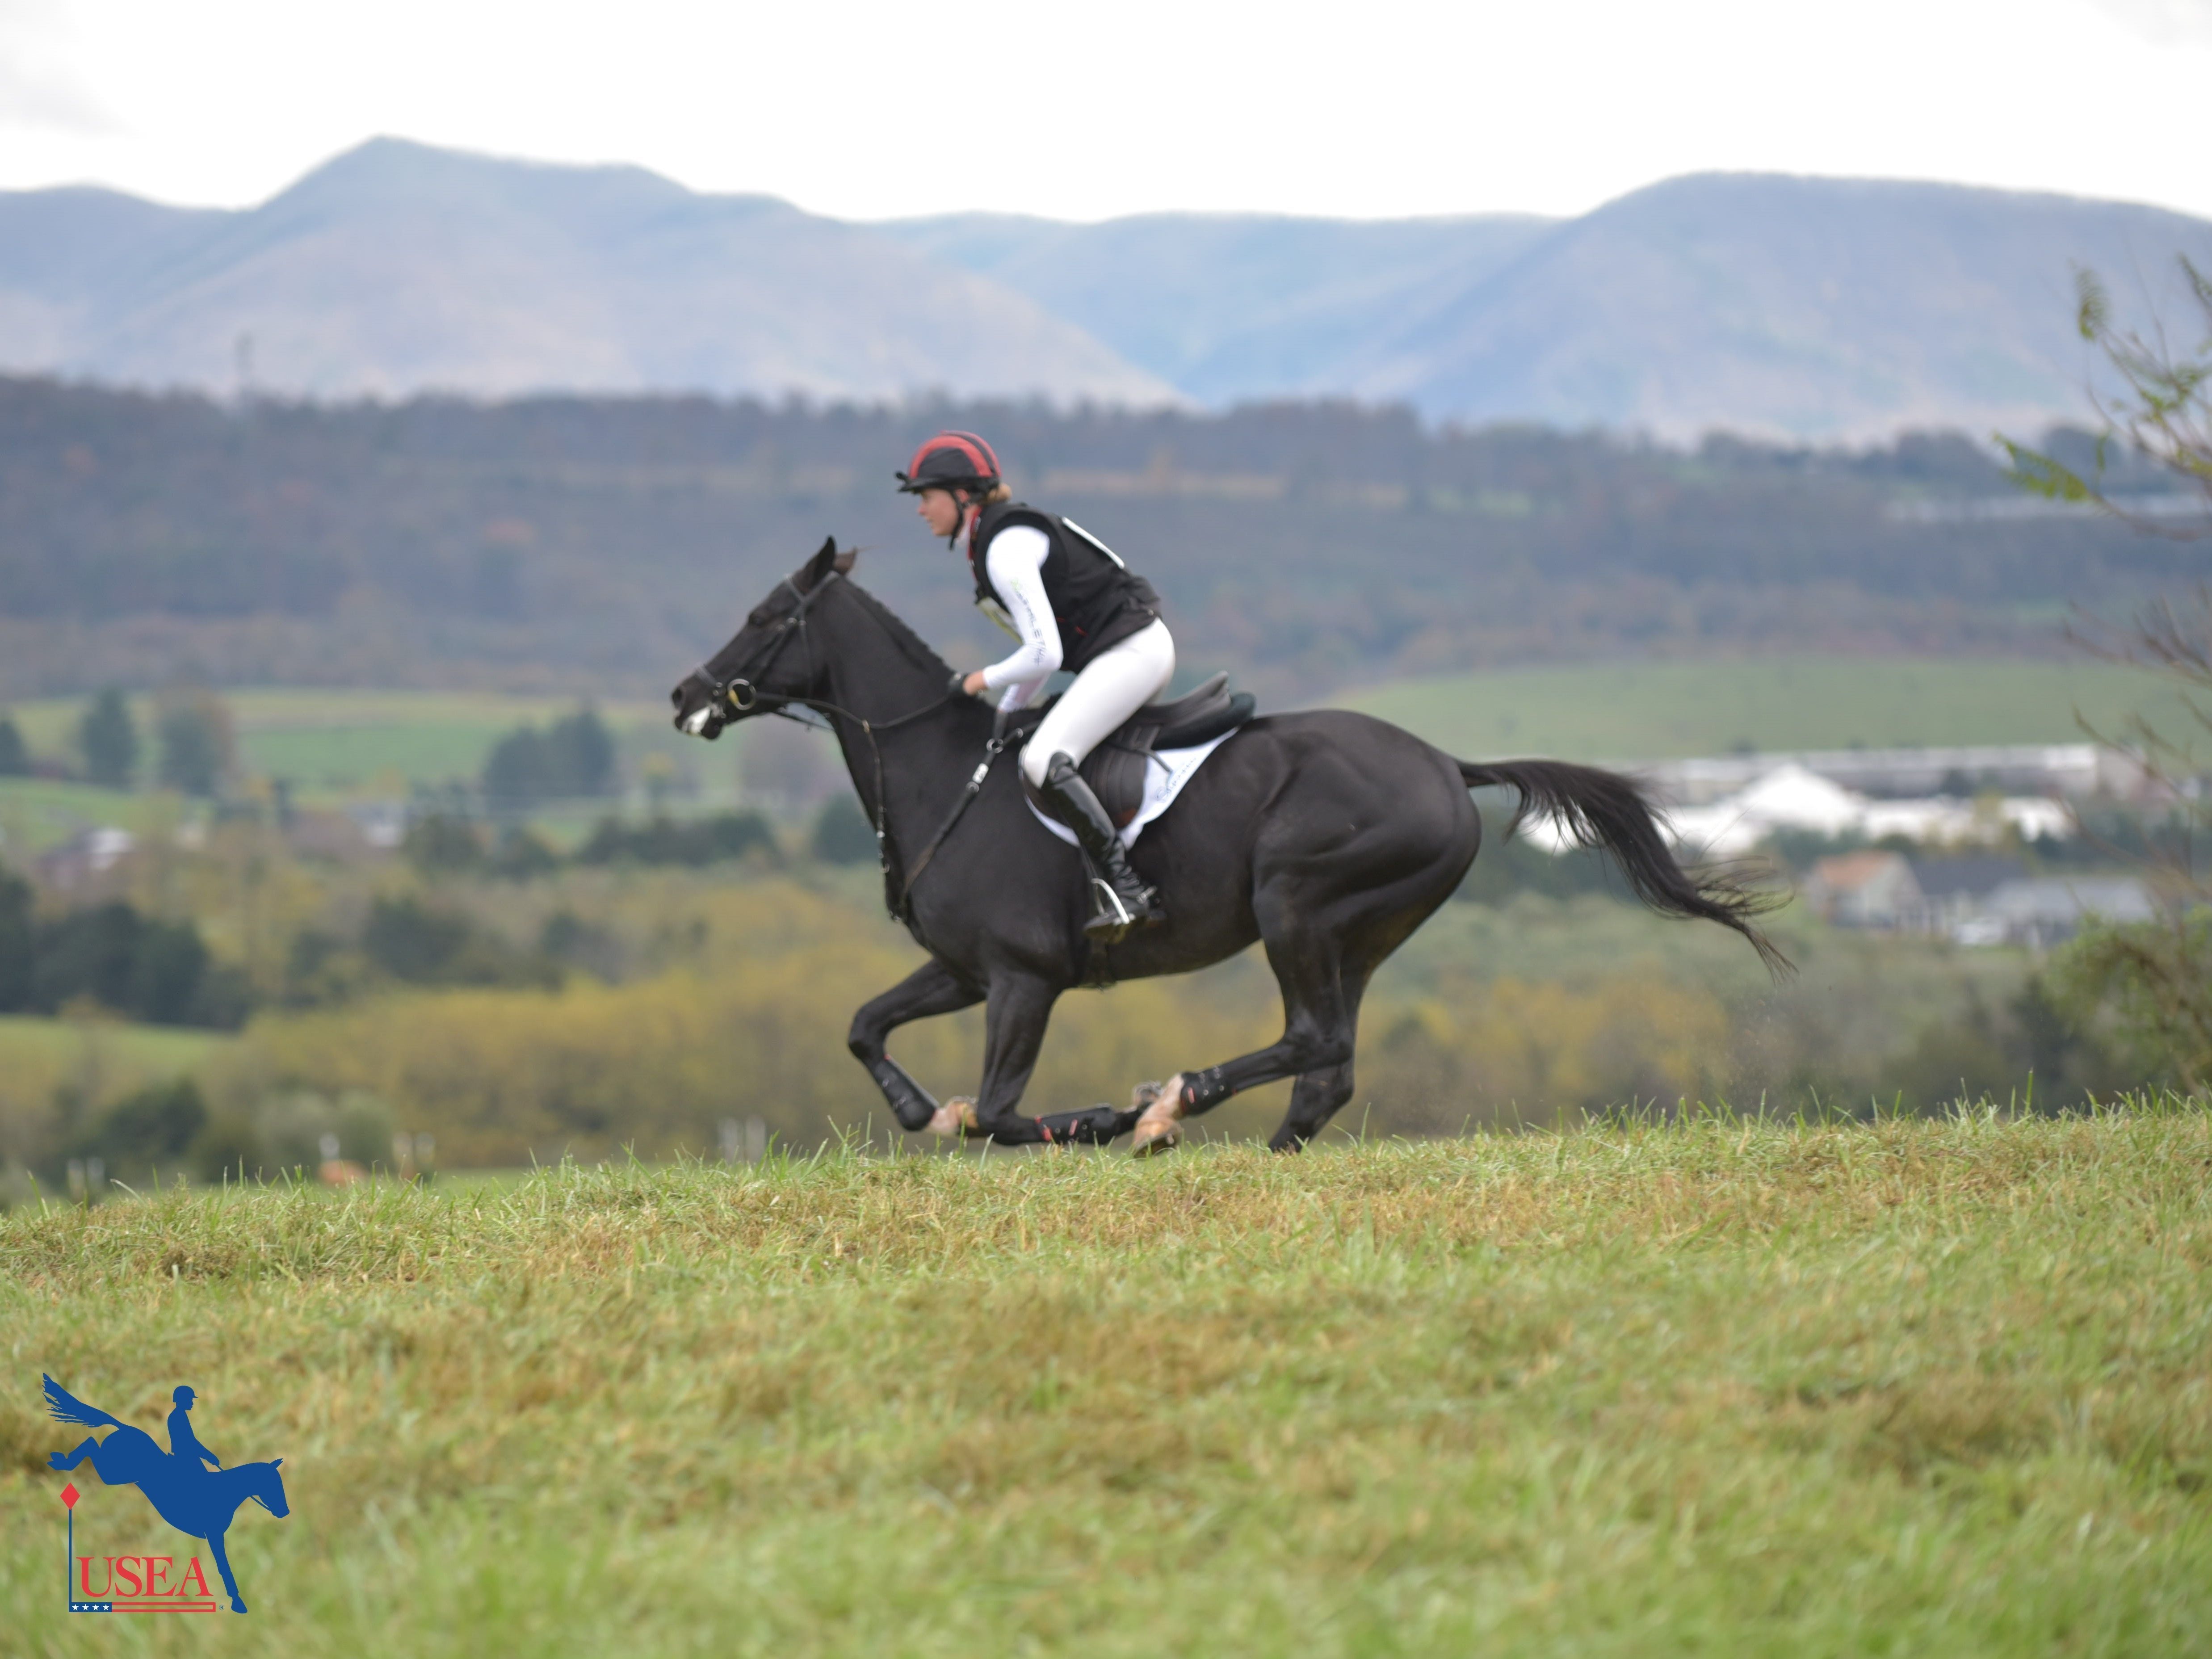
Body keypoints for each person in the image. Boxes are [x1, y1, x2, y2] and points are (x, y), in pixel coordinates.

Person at [898, 430, 1175, 941]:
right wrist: (1004, 715)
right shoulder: (993, 542)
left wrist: (976, 681)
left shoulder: (1003, 550)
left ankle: (1127, 887)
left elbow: (1043, 653)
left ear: (963, 496)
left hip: (1131, 652)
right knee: (1028, 743)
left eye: (926, 495)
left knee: (1041, 760)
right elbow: (1044, 657)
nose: (920, 509)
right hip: (1124, 652)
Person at [167, 1385, 222, 1475]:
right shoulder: (178, 1417)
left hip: (186, 1455)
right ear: (183, 1400)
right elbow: (190, 1442)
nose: (192, 1403)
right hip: (186, 1457)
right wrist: (209, 1456)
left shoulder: (179, 1415)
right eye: (190, 1400)